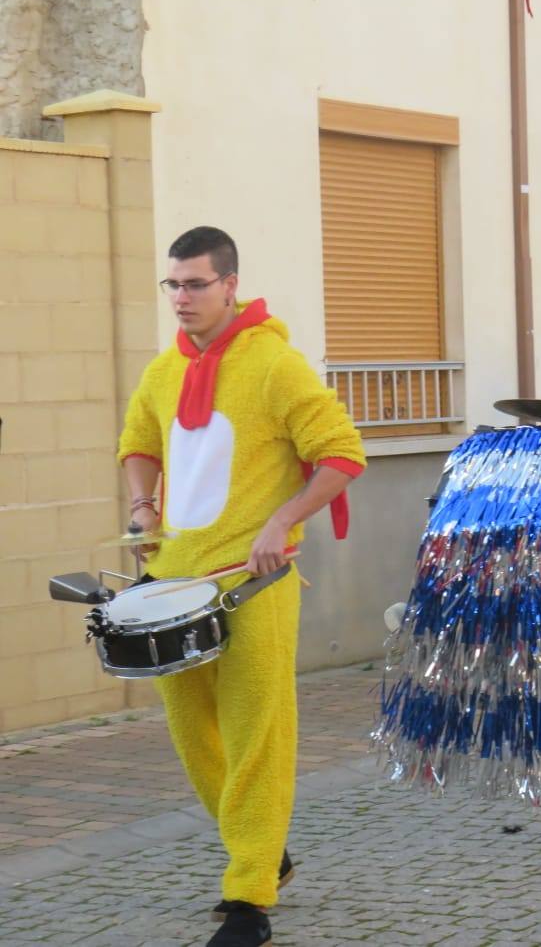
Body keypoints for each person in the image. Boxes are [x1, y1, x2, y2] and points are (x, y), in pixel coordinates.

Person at [118, 227, 365, 947]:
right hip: (172, 584)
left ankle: (249, 897)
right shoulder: (164, 370)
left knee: (259, 734)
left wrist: (282, 521)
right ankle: (265, 849)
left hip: (254, 586)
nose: (183, 298)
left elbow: (343, 454)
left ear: (230, 284)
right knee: (195, 737)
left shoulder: (275, 366)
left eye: (196, 284)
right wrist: (142, 509)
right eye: (174, 284)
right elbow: (137, 440)